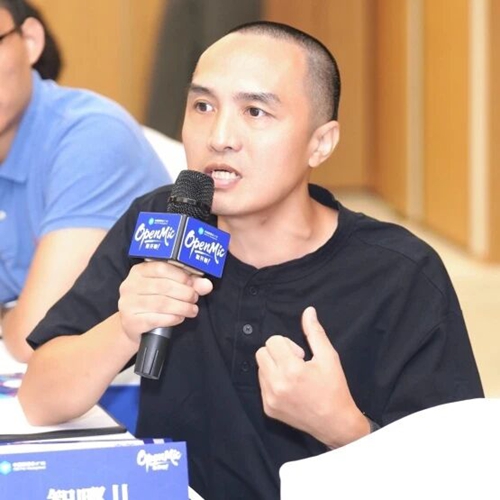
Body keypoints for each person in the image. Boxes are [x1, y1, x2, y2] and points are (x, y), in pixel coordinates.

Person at [19, 21, 483, 499]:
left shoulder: (400, 273)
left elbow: (458, 480)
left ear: (321, 143)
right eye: (203, 106)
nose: (219, 136)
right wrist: (123, 328)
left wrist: (343, 428)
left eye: (255, 111)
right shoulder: (163, 221)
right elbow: (39, 400)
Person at [0, 0, 171, 361]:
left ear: (30, 40)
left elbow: (35, 335)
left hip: (132, 379)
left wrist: (7, 317)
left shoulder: (92, 137)